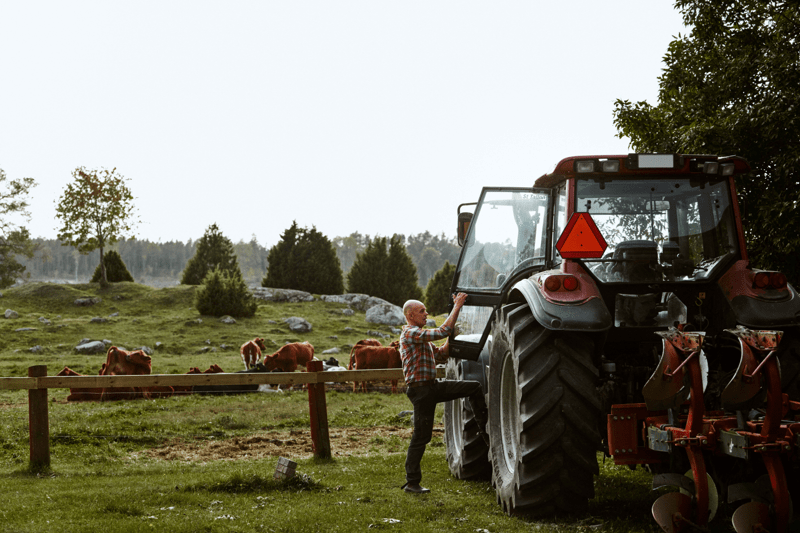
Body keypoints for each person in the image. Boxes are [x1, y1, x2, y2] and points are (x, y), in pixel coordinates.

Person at [399, 292, 489, 494]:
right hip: (421, 391)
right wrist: (457, 306)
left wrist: (452, 337)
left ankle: (487, 433)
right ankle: (412, 482)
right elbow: (442, 330)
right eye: (422, 311)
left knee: (473, 387)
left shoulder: (420, 338)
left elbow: (440, 354)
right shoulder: (410, 334)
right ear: (411, 315)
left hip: (432, 387)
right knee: (421, 437)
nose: (426, 313)